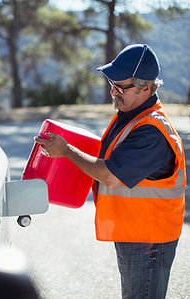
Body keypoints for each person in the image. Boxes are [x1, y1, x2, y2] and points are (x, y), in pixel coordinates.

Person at [35, 44, 186, 299]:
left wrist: (67, 151)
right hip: (136, 232)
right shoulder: (130, 115)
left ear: (146, 87)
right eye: (112, 85)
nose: (113, 92)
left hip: (149, 239)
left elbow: (109, 175)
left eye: (121, 87)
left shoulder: (151, 131)